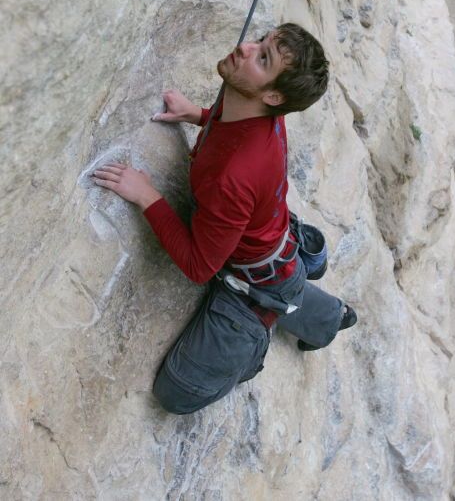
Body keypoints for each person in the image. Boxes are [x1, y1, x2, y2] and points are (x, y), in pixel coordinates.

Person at [92, 23, 357, 414]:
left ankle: (256, 343)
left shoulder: (234, 176)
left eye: (262, 58)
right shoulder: (256, 108)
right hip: (271, 252)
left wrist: (147, 196)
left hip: (254, 278)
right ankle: (333, 316)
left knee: (175, 395)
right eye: (261, 41)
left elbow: (200, 266)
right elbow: (231, 123)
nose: (246, 48)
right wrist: (197, 114)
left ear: (272, 94)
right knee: (283, 286)